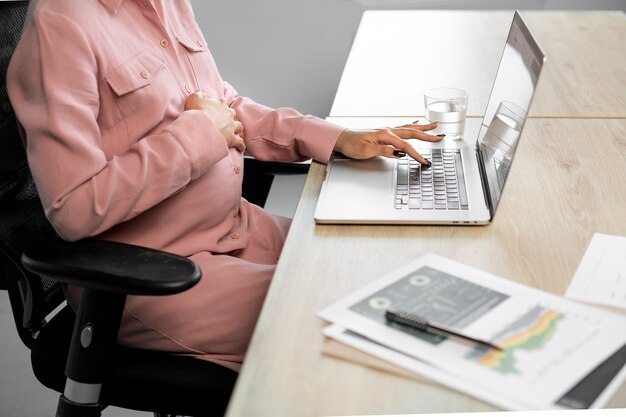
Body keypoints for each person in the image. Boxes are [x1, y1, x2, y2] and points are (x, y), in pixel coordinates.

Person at [7, 0, 442, 372]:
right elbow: (74, 207)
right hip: (151, 272)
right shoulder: (61, 24)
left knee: (389, 270)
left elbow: (223, 104)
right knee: (367, 323)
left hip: (236, 230)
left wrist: (334, 138)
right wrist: (198, 134)